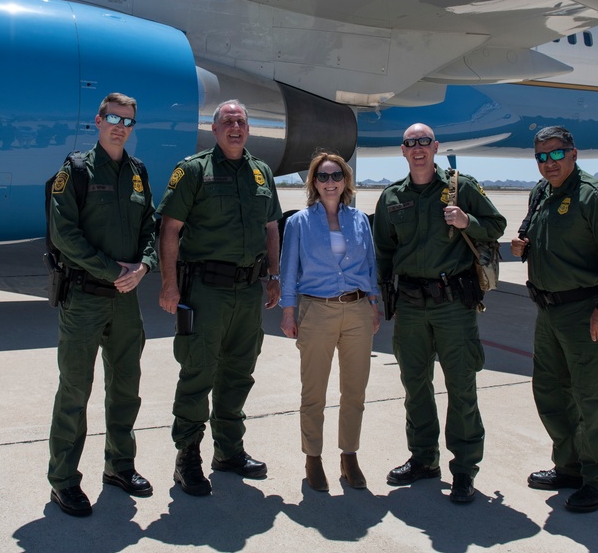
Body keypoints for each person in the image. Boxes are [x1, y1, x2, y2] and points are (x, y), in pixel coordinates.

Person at [372, 123, 506, 504]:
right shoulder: (391, 197)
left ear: (436, 147)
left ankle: (463, 469)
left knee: (461, 387)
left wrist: (468, 222)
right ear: (403, 150)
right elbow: (383, 252)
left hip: (452, 305)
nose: (418, 149)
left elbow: (496, 226)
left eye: (424, 143)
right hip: (411, 305)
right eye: (410, 143)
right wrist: (380, 299)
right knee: (415, 386)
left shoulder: (461, 187)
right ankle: (423, 459)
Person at [157, 99, 282, 497]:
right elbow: (170, 230)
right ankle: (187, 457)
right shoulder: (193, 169)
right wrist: (169, 284)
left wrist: (274, 275)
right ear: (214, 130)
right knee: (198, 371)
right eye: (227, 121)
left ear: (248, 129)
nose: (235, 127)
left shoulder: (261, 172)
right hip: (205, 290)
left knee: (239, 372)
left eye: (241, 121)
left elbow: (272, 228)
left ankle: (228, 450)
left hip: (247, 291)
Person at [510, 125, 598, 514]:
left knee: (591, 398)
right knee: (550, 392)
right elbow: (536, 236)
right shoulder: (541, 194)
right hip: (547, 311)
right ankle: (569, 467)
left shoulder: (597, 198)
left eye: (555, 154)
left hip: (586, 313)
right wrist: (523, 246)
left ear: (573, 154)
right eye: (541, 157)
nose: (548, 163)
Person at [47, 92, 158, 517]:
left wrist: (145, 265)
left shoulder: (137, 173)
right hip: (85, 300)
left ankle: (119, 466)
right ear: (97, 120)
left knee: (126, 387)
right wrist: (110, 269)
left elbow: (150, 226)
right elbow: (64, 234)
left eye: (127, 120)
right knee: (75, 389)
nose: (119, 125)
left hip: (126, 302)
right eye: (112, 117)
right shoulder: (75, 170)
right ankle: (63, 481)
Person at [279, 152, 381, 492]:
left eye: (336, 175)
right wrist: (288, 311)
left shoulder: (359, 220)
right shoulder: (299, 223)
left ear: (345, 180)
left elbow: (370, 265)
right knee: (314, 393)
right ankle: (313, 457)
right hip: (316, 311)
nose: (330, 182)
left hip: (357, 310)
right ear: (313, 182)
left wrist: (374, 304)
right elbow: (289, 270)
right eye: (322, 177)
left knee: (355, 390)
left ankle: (349, 455)